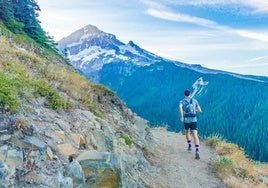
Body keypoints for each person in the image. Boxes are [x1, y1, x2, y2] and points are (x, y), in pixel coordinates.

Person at [179, 89, 202, 159]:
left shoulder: (182, 101)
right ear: (190, 94)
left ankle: (189, 145)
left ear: (184, 94)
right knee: (195, 134)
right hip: (194, 120)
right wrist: (194, 111)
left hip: (186, 120)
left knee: (187, 132)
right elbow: (200, 110)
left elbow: (180, 107)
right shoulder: (195, 101)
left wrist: (182, 116)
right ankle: (197, 150)